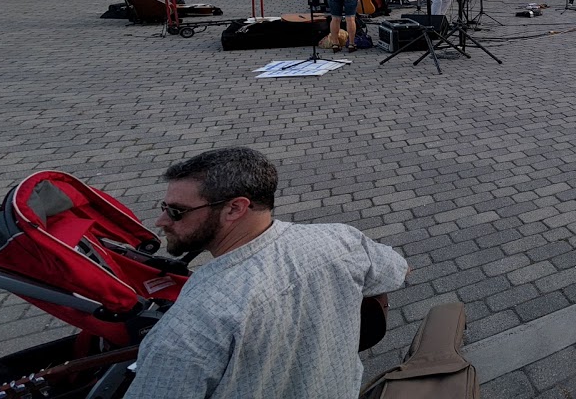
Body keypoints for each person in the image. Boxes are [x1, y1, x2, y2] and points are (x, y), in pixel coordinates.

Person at [124, 148, 406, 399]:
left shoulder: (194, 319)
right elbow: (398, 270)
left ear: (235, 208)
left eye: (176, 211)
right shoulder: (340, 240)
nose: (161, 221)